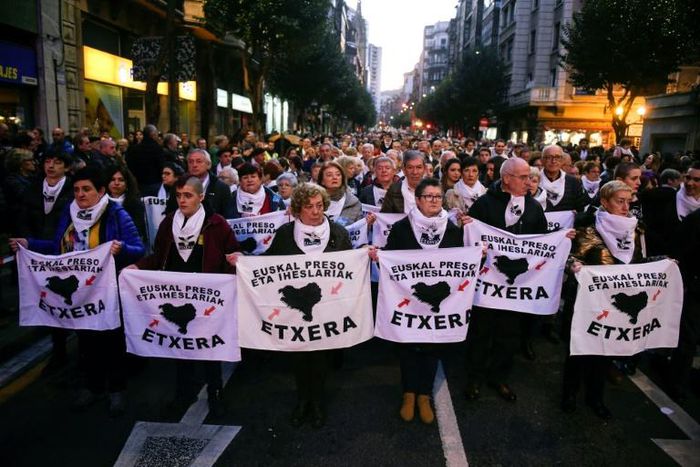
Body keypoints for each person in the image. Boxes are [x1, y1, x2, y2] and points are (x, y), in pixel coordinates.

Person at [9, 167, 145, 416]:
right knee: (85, 343)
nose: (80, 195)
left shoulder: (116, 214)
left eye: (86, 189)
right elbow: (57, 247)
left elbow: (139, 249)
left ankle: (116, 391)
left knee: (111, 341)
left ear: (101, 191)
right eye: (76, 190)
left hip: (108, 291)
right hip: (80, 294)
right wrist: (29, 245)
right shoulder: (69, 214)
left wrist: (121, 247)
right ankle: (92, 388)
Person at [127, 175, 239, 416]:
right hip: (177, 292)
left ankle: (215, 392)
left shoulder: (217, 224)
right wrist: (138, 267)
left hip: (208, 295)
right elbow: (158, 256)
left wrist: (236, 263)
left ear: (200, 197)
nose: (182, 200)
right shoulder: (168, 223)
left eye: (187, 195)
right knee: (181, 343)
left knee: (210, 345)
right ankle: (184, 392)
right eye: (178, 196)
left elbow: (232, 254)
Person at [263, 183, 354, 428]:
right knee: (300, 357)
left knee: (321, 358)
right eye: (308, 206)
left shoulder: (337, 233)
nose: (315, 211)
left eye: (319, 206)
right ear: (296, 209)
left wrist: (367, 255)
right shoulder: (285, 234)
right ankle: (303, 399)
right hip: (295, 314)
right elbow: (267, 264)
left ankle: (317, 402)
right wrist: (242, 260)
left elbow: (351, 265)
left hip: (327, 308)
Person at [464, 158, 554, 402]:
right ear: (506, 179)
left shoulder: (534, 208)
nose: (529, 182)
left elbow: (542, 243)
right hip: (487, 284)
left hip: (517, 285)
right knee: (481, 333)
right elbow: (470, 240)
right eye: (523, 177)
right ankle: (474, 377)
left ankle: (499, 377)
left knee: (509, 335)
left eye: (529, 177)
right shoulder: (484, 204)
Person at [376, 178, 465, 424]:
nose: (435, 201)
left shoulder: (453, 229)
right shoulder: (403, 228)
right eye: (429, 196)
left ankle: (424, 394)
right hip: (408, 300)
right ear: (417, 200)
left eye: (438, 196)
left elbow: (461, 263)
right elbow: (391, 259)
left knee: (433, 346)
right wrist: (379, 257)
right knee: (408, 347)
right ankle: (409, 393)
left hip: (439, 304)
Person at [563, 181, 653, 419]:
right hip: (588, 302)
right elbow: (568, 256)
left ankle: (595, 398)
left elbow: (639, 262)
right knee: (580, 351)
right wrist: (574, 265)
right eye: (619, 201)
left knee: (604, 352)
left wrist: (663, 263)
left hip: (616, 303)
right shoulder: (588, 228)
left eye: (628, 201)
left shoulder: (636, 230)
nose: (625, 207)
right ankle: (569, 394)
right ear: (604, 202)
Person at [17, 152, 74, 372]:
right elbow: (23, 217)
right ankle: (58, 353)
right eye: (48, 162)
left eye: (57, 162)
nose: (51, 166)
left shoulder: (72, 189)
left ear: (66, 167)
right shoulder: (32, 188)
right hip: (38, 253)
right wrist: (29, 242)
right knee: (50, 304)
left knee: (71, 301)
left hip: (64, 254)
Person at [166, 149, 234, 218]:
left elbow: (228, 217)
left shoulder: (221, 187)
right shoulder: (178, 185)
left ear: (208, 164)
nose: (194, 165)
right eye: (191, 162)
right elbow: (170, 212)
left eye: (199, 161)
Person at [539, 145, 588, 213]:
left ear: (562, 160)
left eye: (557, 157)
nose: (553, 161)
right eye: (549, 157)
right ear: (542, 160)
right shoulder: (533, 180)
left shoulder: (573, 182)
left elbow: (581, 208)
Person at [105, 165, 146, 241]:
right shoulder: (100, 202)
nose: (116, 183)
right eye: (112, 179)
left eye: (121, 180)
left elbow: (137, 230)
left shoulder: (135, 204)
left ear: (127, 184)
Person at [317, 161, 362, 226]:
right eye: (329, 175)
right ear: (322, 181)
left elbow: (359, 230)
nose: (335, 177)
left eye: (338, 174)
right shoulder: (314, 202)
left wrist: (367, 225)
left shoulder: (354, 203)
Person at [125, 124, 165, 197]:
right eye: (156, 133)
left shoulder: (134, 149)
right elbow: (161, 165)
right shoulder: (157, 149)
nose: (157, 136)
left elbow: (130, 165)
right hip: (155, 182)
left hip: (140, 183)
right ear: (152, 134)